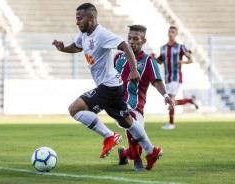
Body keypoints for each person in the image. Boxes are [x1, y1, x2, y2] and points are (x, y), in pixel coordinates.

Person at [52, 3, 163, 170]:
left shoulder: (102, 34)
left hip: (109, 86)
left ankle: (109, 136)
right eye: (76, 19)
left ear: (91, 18)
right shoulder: (84, 35)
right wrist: (63, 48)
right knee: (128, 122)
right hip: (114, 86)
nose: (77, 22)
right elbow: (76, 47)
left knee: (74, 109)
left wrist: (133, 69)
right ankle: (151, 150)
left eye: (79, 18)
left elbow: (124, 46)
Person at [114, 25, 174, 171]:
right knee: (129, 119)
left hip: (138, 106)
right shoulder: (118, 58)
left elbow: (157, 80)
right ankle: (138, 161)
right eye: (129, 38)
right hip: (119, 104)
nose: (131, 41)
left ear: (144, 41)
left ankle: (124, 154)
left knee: (136, 140)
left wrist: (165, 96)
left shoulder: (148, 61)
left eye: (135, 38)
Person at [155, 26, 198, 130]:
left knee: (170, 99)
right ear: (167, 33)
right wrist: (154, 58)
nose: (171, 34)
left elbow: (190, 58)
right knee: (171, 101)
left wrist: (182, 61)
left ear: (176, 34)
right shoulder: (163, 48)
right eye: (169, 32)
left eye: (173, 32)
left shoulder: (181, 47)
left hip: (176, 77)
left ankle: (171, 123)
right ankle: (189, 100)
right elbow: (160, 61)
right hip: (167, 78)